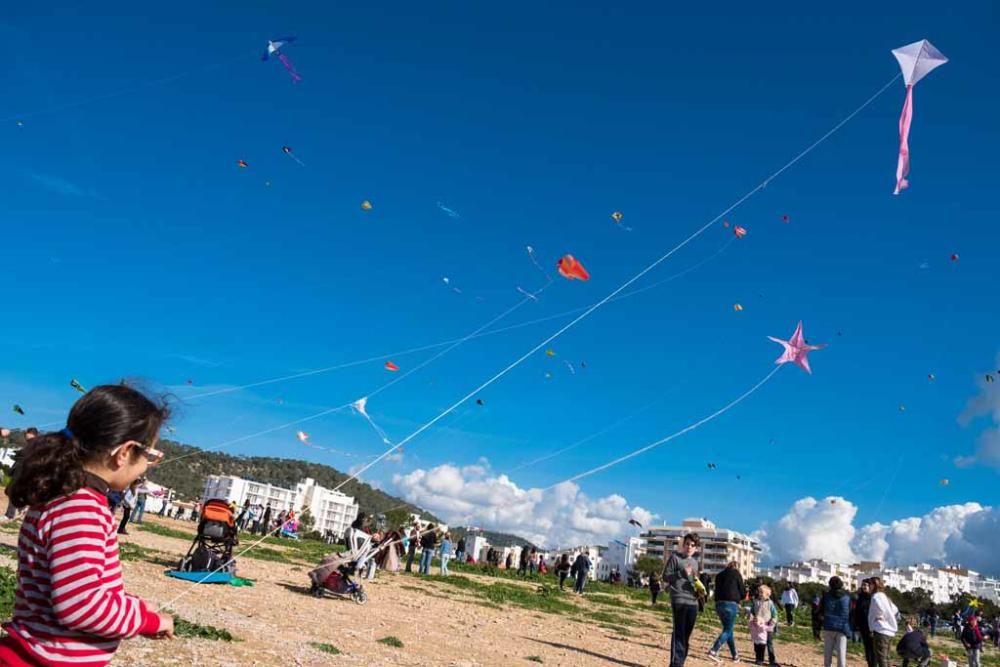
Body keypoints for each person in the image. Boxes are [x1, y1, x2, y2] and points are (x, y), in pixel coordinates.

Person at [0, 385, 174, 665]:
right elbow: (80, 606)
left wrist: (137, 607)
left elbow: (78, 585)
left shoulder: (61, 496)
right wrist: (146, 621)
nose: (145, 467)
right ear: (124, 452)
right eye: (149, 457)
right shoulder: (82, 509)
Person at [663, 533, 702, 667]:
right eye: (687, 544)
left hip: (693, 601)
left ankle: (680, 662)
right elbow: (665, 577)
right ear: (683, 545)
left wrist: (699, 590)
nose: (689, 547)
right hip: (678, 599)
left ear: (696, 548)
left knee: (686, 635)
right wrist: (681, 573)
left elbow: (694, 581)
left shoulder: (696, 563)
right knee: (679, 633)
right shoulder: (675, 558)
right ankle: (676, 664)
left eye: (693, 545)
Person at [708, 560, 746, 662]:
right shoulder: (737, 574)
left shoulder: (719, 575)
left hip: (719, 604)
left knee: (728, 630)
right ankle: (714, 650)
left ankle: (735, 655)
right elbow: (742, 591)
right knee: (728, 630)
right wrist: (742, 596)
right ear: (736, 567)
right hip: (731, 604)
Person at [820, 576, 853, 667]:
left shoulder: (826, 596)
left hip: (828, 625)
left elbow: (821, 610)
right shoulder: (847, 597)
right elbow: (850, 612)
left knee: (827, 653)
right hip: (843, 628)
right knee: (841, 654)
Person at [868, 577, 899, 667]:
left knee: (881, 658)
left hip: (881, 629)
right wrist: (888, 617)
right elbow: (895, 609)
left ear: (874, 585)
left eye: (870, 584)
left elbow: (879, 607)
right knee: (886, 657)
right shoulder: (885, 596)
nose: (869, 587)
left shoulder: (876, 596)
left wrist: (881, 616)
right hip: (889, 630)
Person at [749, 584, 779, 666]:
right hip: (757, 626)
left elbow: (775, 614)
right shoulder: (756, 602)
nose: (760, 594)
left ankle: (772, 660)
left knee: (769, 643)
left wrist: (772, 623)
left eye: (762, 592)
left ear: (767, 594)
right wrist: (751, 619)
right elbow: (752, 612)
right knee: (757, 643)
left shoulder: (770, 603)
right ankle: (759, 659)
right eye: (759, 592)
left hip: (767, 626)